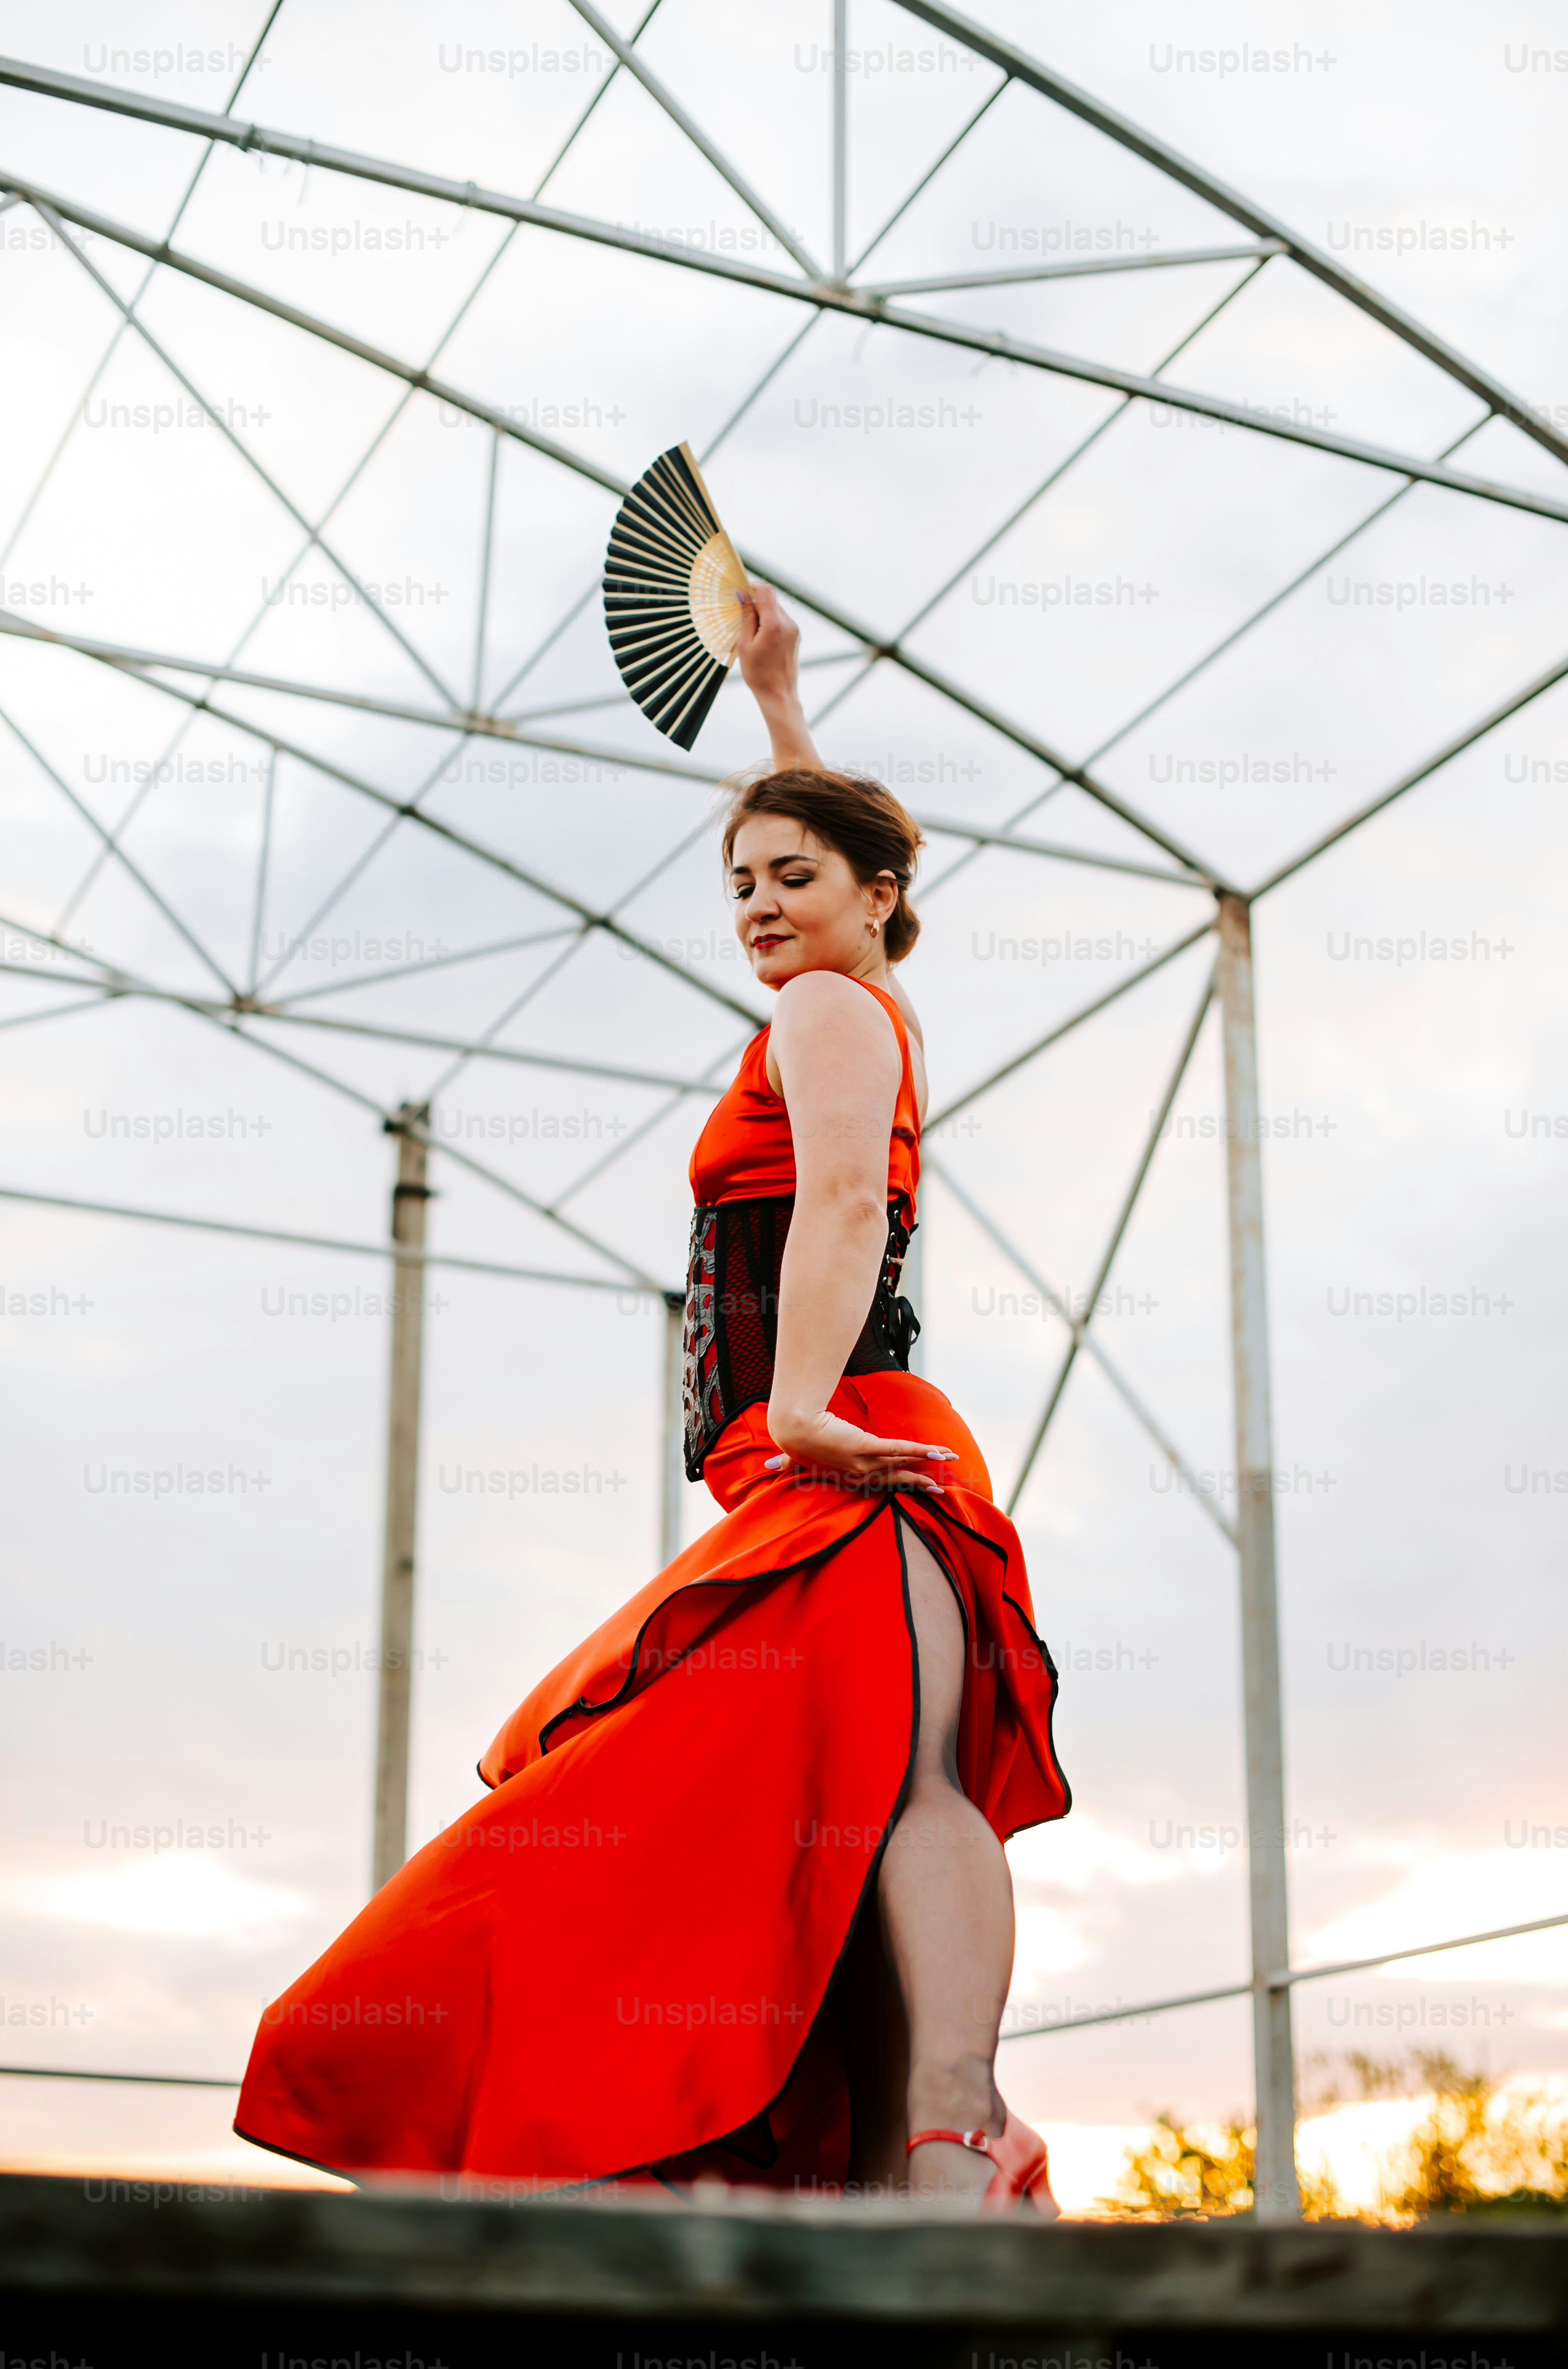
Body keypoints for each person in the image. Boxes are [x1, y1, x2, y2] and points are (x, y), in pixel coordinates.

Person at [235, 582, 1069, 2210]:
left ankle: (951, 2128)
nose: (755, 905)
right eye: (737, 881)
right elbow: (838, 869)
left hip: (847, 1445)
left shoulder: (830, 1008)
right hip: (829, 1449)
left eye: (789, 879)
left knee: (880, 1790)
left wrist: (814, 1412)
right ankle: (929, 2141)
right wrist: (774, 703)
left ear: (874, 898)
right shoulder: (855, 994)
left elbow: (837, 1205)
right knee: (831, 1803)